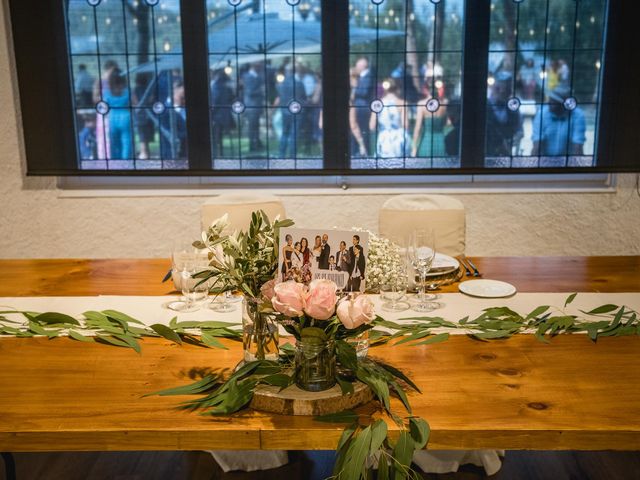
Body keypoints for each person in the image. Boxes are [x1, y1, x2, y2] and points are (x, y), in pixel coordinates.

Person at [531, 85, 586, 157]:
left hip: (569, 162)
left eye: (553, 101)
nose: (549, 103)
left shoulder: (578, 115)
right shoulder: (541, 114)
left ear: (564, 105)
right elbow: (537, 145)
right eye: (550, 99)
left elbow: (578, 148)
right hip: (545, 161)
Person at [485, 71, 522, 156]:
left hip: (507, 155)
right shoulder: (486, 106)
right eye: (498, 88)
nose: (502, 91)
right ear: (493, 87)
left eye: (506, 89)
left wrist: (516, 138)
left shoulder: (513, 107)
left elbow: (519, 130)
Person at [369, 79, 409, 158]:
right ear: (396, 88)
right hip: (398, 138)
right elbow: (405, 125)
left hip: (383, 138)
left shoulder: (378, 103)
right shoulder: (402, 103)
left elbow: (372, 126)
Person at [275, 63, 307, 158]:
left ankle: (282, 154)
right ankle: (292, 156)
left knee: (285, 133)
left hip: (285, 112)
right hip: (296, 112)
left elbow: (280, 97)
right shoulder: (299, 84)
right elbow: (303, 97)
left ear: (286, 72)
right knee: (294, 134)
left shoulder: (281, 85)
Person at [412, 82, 447, 157]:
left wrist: (414, 146)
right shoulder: (443, 104)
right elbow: (446, 123)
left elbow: (418, 127)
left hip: (426, 141)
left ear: (426, 89)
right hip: (441, 141)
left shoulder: (422, 104)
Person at [103, 68, 132, 160]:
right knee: (126, 142)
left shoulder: (107, 92)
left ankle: (116, 163)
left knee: (115, 143)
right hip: (126, 116)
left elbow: (104, 106)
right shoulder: (127, 91)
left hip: (112, 117)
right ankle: (126, 162)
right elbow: (135, 103)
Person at [93, 59, 119, 159]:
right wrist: (105, 99)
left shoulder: (116, 81)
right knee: (104, 135)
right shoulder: (100, 81)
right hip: (104, 112)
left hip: (114, 111)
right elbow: (95, 98)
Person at [351, 57, 375, 156]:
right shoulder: (361, 77)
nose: (356, 68)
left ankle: (364, 153)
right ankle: (358, 151)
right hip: (358, 107)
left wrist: (354, 88)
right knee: (357, 130)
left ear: (363, 66)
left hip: (363, 108)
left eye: (357, 66)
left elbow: (364, 92)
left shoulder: (368, 76)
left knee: (363, 131)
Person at [210, 69, 235, 158]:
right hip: (225, 115)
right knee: (218, 137)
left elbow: (216, 102)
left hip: (218, 116)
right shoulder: (224, 87)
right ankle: (219, 153)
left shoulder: (217, 86)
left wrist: (211, 113)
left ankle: (217, 154)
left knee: (216, 136)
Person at [241, 63, 265, 152]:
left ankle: (257, 143)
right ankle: (253, 145)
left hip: (255, 106)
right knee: (252, 126)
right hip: (252, 106)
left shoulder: (256, 76)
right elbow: (250, 92)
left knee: (255, 126)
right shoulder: (248, 76)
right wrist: (261, 90)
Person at [132, 73, 154, 160]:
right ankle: (147, 153)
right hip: (149, 115)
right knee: (146, 136)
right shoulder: (148, 89)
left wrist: (139, 106)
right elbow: (151, 99)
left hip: (139, 115)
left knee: (142, 136)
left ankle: (144, 153)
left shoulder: (135, 89)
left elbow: (134, 101)